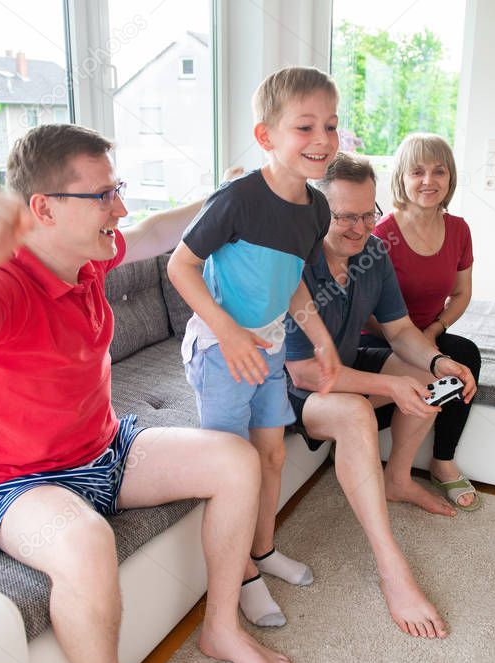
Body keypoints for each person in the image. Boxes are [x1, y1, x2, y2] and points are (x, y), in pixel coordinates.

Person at [0, 124, 296, 663]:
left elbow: (155, 231)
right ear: (43, 209)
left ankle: (221, 628)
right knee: (86, 544)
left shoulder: (87, 254)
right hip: (22, 484)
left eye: (116, 188)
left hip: (107, 450)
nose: (119, 207)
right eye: (103, 195)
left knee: (235, 460)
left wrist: (227, 196)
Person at [168, 66, 341, 629]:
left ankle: (262, 551)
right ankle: (240, 574)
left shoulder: (316, 209)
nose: (322, 139)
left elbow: (291, 281)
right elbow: (181, 266)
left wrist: (320, 340)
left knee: (270, 455)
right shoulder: (237, 200)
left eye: (331, 126)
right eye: (305, 126)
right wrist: (227, 330)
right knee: (234, 467)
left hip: (269, 352)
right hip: (222, 354)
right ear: (266, 136)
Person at [284, 152, 477, 638]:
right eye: (344, 216)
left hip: (345, 365)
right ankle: (391, 566)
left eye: (367, 214)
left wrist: (436, 360)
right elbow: (306, 374)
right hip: (289, 389)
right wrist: (390, 384)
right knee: (355, 414)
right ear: (317, 211)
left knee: (431, 381)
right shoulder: (295, 263)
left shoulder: (372, 253)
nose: (358, 227)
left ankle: (397, 480)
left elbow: (399, 330)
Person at [365, 133, 483, 510]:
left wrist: (432, 331)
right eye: (417, 171)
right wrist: (412, 341)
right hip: (383, 335)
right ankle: (394, 472)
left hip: (426, 334)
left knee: (466, 353)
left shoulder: (460, 229)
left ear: (450, 179)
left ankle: (442, 461)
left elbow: (462, 294)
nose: (428, 181)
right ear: (401, 177)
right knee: (429, 367)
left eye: (439, 171)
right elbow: (365, 309)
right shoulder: (382, 234)